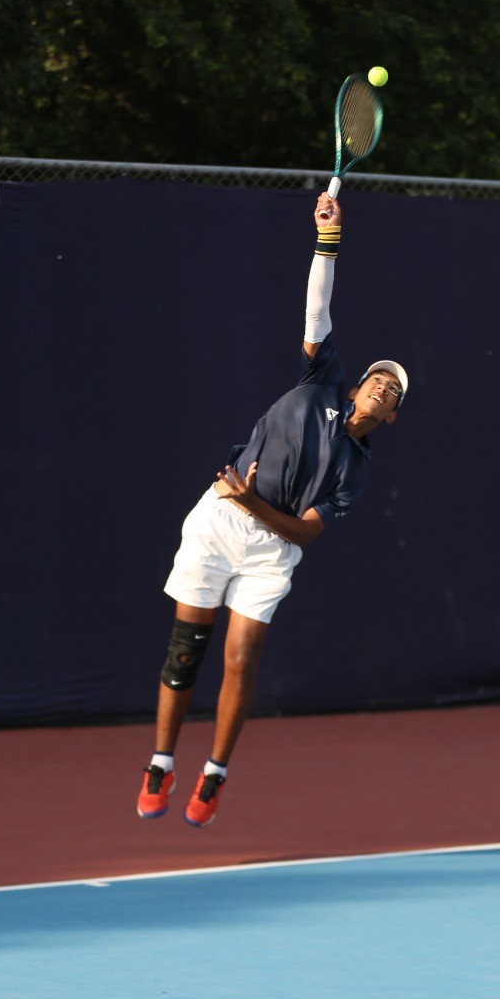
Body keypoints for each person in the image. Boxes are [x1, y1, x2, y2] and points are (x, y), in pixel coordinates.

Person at [137, 193, 409, 828]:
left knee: (240, 660)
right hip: (217, 523)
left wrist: (252, 500)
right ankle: (160, 762)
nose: (381, 385)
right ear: (358, 385)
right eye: (377, 377)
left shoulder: (356, 473)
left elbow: (303, 535)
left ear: (392, 416)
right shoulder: (323, 380)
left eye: (393, 390)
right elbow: (318, 305)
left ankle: (214, 773)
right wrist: (327, 237)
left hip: (269, 550)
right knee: (186, 651)